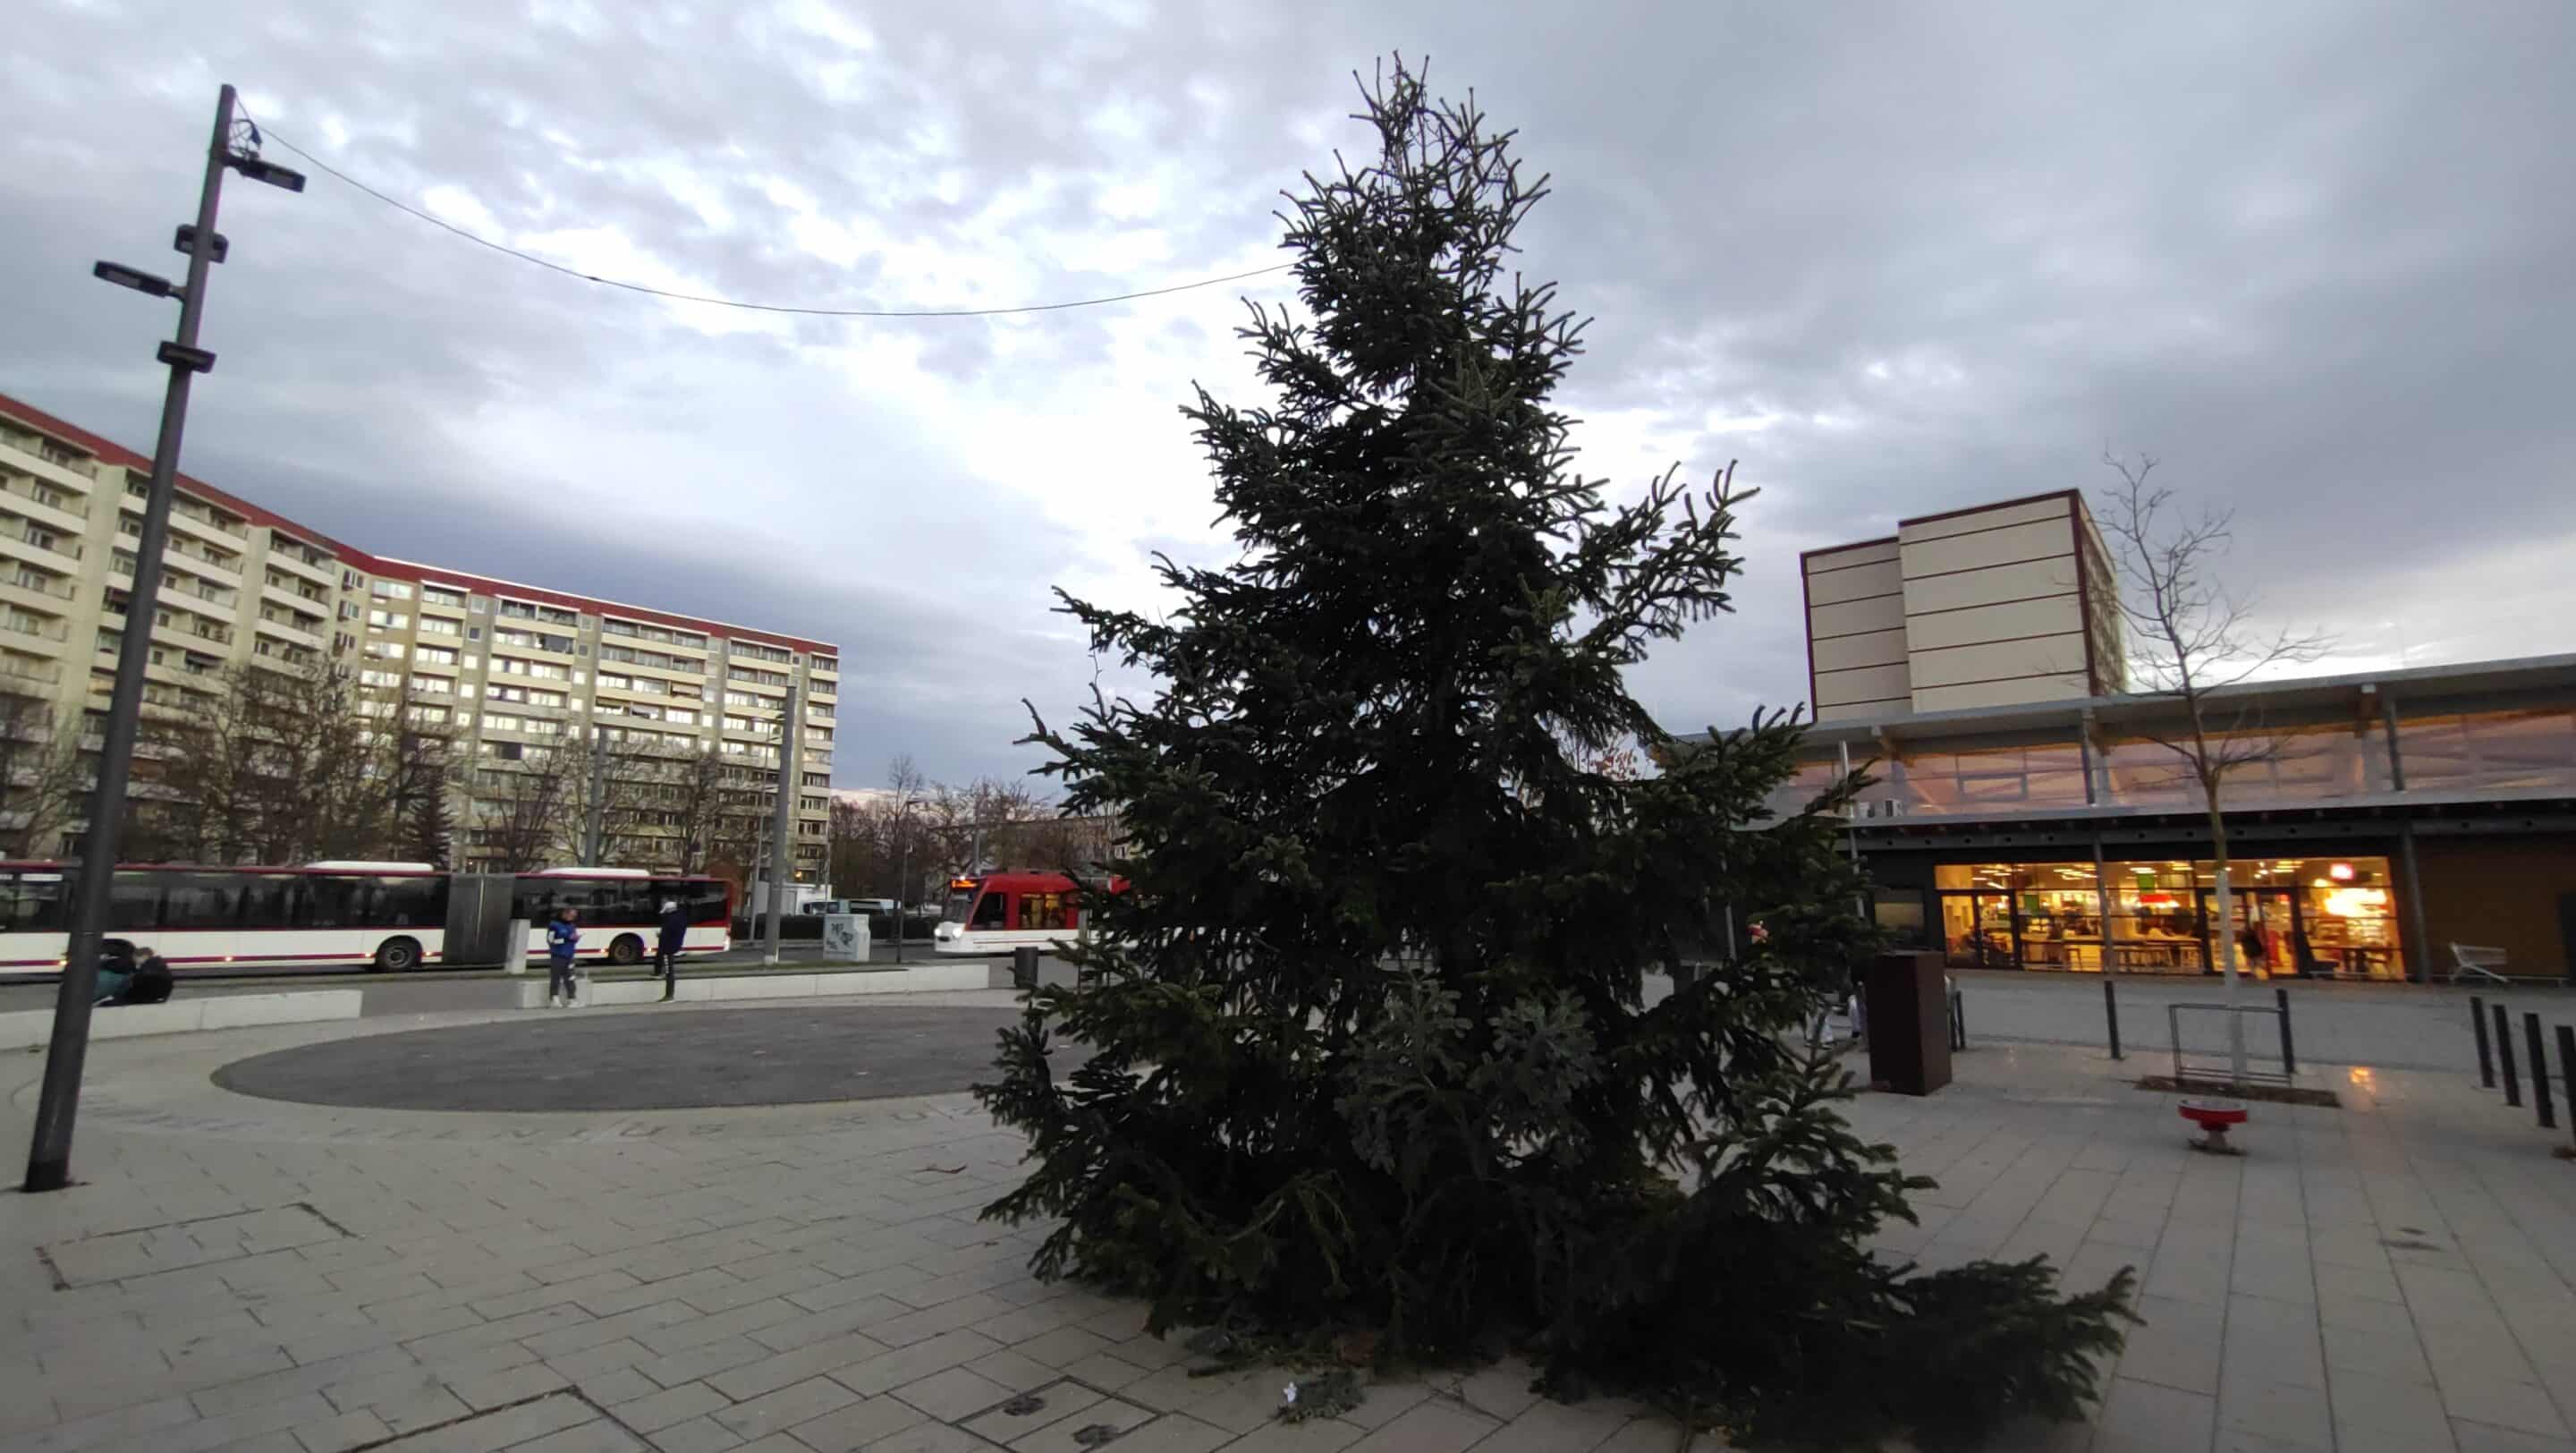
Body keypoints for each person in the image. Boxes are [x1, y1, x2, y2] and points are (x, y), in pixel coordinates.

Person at [655, 897, 689, 1002]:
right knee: (661, 957)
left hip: (668, 947)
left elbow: (667, 933)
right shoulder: (681, 917)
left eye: (665, 911)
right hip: (674, 944)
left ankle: (669, 996)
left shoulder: (670, 920)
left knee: (669, 971)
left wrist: (660, 935)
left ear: (669, 910)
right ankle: (658, 972)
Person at [547, 906, 581, 1007]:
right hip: (558, 955)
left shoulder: (572, 925)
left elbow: (573, 938)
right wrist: (567, 939)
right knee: (555, 978)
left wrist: (575, 938)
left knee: (570, 978)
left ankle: (572, 998)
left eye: (574, 916)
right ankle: (554, 999)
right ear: (565, 914)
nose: (573, 918)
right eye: (571, 915)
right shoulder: (554, 926)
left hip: (569, 955)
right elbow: (551, 941)